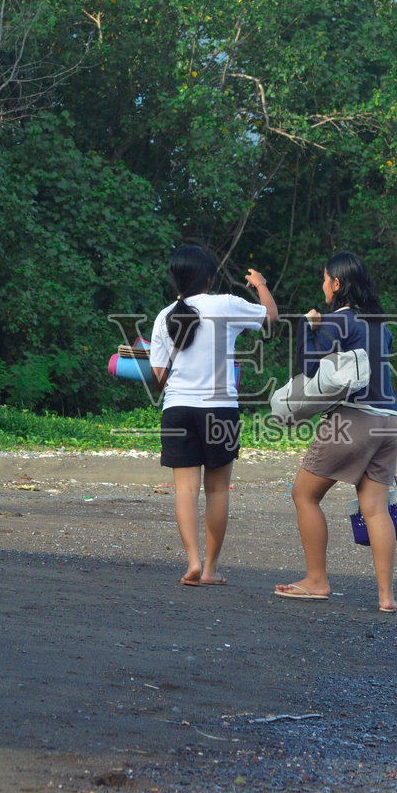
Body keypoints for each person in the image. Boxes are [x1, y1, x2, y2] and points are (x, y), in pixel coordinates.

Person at [275, 251, 397, 613]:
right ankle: (386, 597)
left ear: (337, 284)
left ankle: (316, 580)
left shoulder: (338, 321)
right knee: (375, 508)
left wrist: (307, 327)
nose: (322, 285)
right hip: (389, 421)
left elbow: (311, 369)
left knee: (304, 494)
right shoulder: (383, 326)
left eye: (325, 278)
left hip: (353, 420)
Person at [149, 246, 277, 587]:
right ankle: (209, 569)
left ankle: (191, 561)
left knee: (185, 491)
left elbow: (159, 377)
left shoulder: (164, 317)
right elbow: (270, 318)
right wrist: (261, 285)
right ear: (209, 277)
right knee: (217, 490)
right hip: (220, 408)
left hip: (177, 409)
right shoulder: (225, 304)